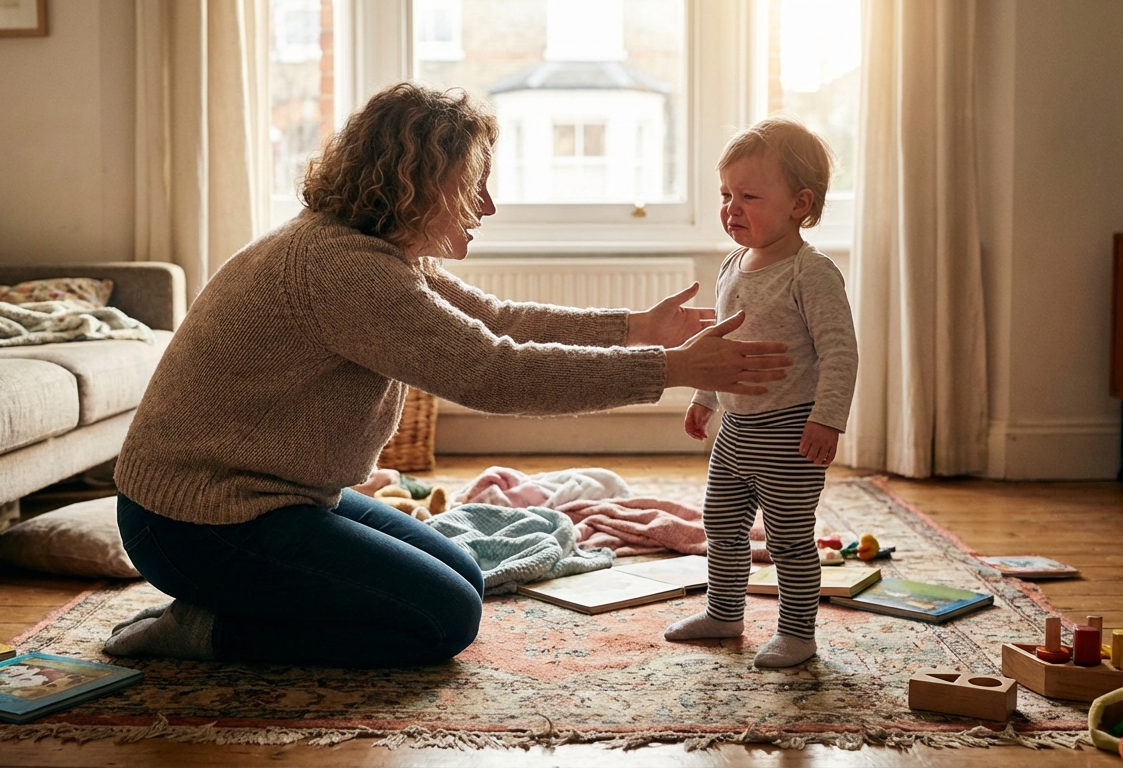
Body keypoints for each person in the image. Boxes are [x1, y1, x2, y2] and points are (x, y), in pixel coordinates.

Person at [103, 82, 793, 668]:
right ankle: (210, 628)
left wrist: (637, 328)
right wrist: (669, 368)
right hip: (198, 520)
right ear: (415, 183)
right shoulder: (343, 269)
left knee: (463, 571)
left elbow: (496, 318)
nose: (487, 207)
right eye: (473, 186)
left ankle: (237, 597)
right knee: (443, 619)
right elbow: (494, 372)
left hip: (270, 497)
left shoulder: (372, 249)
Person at [663, 115, 859, 668]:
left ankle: (798, 633)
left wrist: (828, 419)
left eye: (748, 195)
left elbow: (840, 351)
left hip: (792, 428)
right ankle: (724, 612)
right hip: (738, 427)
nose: (731, 208)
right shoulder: (733, 263)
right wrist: (704, 398)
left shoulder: (810, 273)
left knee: (789, 538)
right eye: (726, 194)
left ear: (800, 203)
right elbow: (718, 344)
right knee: (720, 524)